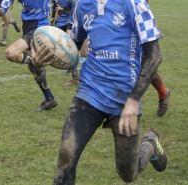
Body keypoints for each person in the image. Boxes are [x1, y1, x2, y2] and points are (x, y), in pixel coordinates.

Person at [31, 0, 167, 183]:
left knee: (128, 173)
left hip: (125, 96)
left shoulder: (134, 3)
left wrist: (134, 99)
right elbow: (73, 47)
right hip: (90, 91)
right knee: (66, 156)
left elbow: (154, 55)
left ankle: (150, 143)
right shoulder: (83, 5)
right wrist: (46, 57)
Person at [0, 0, 58, 111]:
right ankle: (49, 98)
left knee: (10, 53)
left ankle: (36, 63)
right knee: (32, 67)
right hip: (27, 25)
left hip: (39, 26)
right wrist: (1, 10)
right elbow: (7, 2)